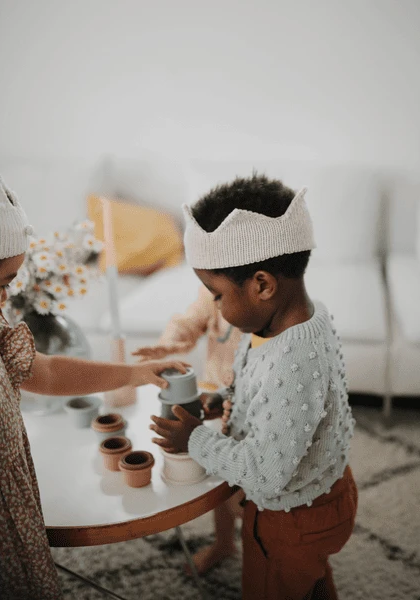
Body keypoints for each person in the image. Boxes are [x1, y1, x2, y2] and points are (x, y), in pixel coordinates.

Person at [149, 174, 358, 600]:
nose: (214, 305)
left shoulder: (295, 360)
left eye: (216, 294)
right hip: (319, 498)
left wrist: (195, 440)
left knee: (270, 586)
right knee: (309, 579)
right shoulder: (283, 321)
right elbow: (263, 388)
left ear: (262, 285)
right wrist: (223, 398)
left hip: (293, 519)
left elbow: (264, 473)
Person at [0, 175, 189, 600]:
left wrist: (136, 373)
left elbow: (45, 372)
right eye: (1, 284)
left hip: (11, 498)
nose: (5, 299)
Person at [132, 285, 245, 573]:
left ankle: (260, 546)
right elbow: (189, 322)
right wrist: (168, 345)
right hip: (216, 396)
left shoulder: (261, 307)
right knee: (220, 478)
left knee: (243, 489)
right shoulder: (213, 291)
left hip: (251, 405)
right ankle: (224, 542)